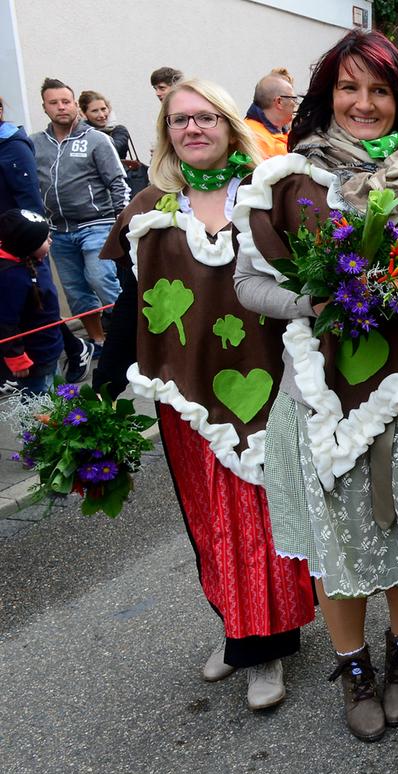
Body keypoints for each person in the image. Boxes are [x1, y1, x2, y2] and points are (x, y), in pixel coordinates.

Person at [232, 29, 398, 742]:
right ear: (326, 95)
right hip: (325, 403)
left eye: (378, 90)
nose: (363, 103)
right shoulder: (287, 182)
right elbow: (247, 282)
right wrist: (306, 301)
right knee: (338, 545)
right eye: (349, 88)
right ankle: (354, 669)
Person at [92, 79, 314, 711]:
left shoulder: (272, 195)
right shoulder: (149, 209)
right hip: (184, 391)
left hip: (267, 382)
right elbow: (130, 305)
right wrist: (102, 386)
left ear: (228, 123)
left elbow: (315, 278)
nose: (193, 129)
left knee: (260, 517)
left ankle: (265, 646)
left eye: (205, 118)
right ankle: (236, 626)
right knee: (209, 521)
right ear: (166, 134)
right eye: (179, 121)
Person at [0, 95, 93, 383]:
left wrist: (36, 242)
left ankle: (70, 349)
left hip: (19, 241)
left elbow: (29, 198)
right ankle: (68, 347)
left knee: (35, 304)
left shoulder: (11, 145)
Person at [32, 77, 127, 351]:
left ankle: (130, 335)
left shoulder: (96, 139)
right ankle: (99, 340)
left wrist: (122, 224)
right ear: (45, 108)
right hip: (58, 231)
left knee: (101, 278)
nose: (61, 107)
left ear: (75, 105)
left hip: (97, 225)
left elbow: (117, 183)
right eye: (54, 103)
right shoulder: (34, 143)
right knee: (75, 292)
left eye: (66, 101)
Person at [0, 208, 63, 394]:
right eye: (45, 239)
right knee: (40, 406)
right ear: (26, 244)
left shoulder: (33, 260)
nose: (50, 241)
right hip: (34, 356)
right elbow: (5, 321)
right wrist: (16, 357)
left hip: (50, 347)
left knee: (57, 398)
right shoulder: (10, 277)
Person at [245, 72, 297, 159]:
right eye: (293, 99)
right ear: (279, 102)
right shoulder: (254, 138)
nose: (295, 104)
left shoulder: (285, 131)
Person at [77, 91, 132, 162]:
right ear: (84, 114)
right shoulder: (80, 132)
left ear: (109, 109)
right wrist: (83, 123)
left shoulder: (119, 130)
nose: (102, 115)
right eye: (95, 111)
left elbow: (110, 151)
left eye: (103, 109)